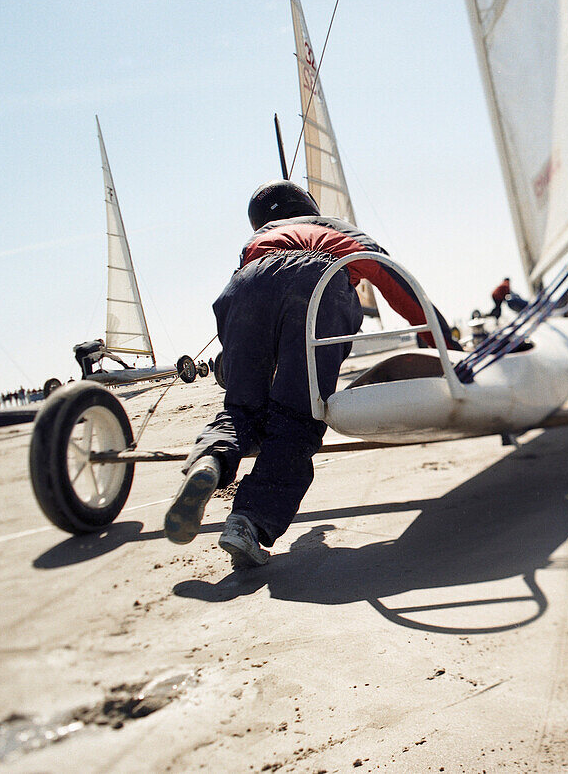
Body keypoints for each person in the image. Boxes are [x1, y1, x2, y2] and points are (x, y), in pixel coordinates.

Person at [164, 180, 460, 568]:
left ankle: (211, 462)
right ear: (309, 206)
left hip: (245, 285)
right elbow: (394, 281)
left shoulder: (261, 238)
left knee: (241, 411)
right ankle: (248, 522)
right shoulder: (339, 228)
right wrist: (440, 341)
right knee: (297, 419)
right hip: (319, 284)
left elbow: (249, 310)